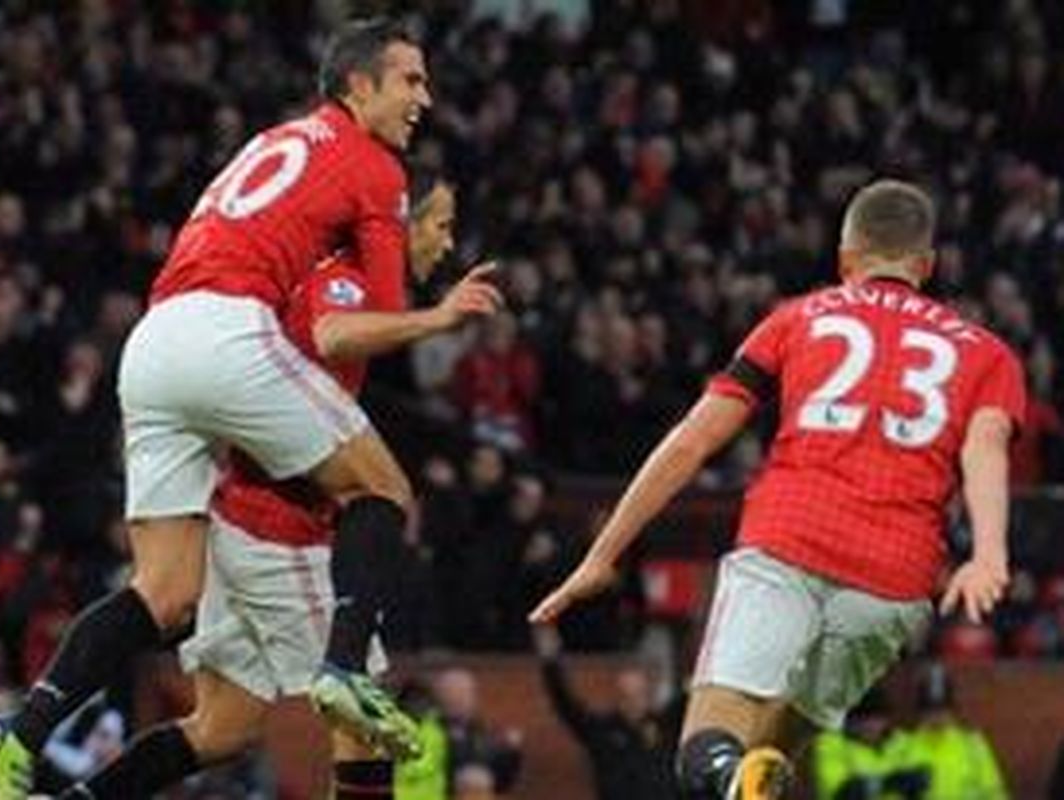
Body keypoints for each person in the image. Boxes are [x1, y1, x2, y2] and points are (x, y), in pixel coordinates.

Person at [0, 16, 456, 798]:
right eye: (410, 81)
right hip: (230, 335)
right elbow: (369, 314)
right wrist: (439, 317)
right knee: (385, 490)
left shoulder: (277, 141)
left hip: (155, 338)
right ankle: (339, 670)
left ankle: (18, 733)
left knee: (165, 597)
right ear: (358, 85)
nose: (423, 98)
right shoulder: (373, 171)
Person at [531, 179, 1026, 800]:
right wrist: (989, 554)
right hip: (894, 581)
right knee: (765, 762)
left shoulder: (796, 318)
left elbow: (692, 440)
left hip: (791, 538)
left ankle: (730, 773)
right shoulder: (989, 354)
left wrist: (601, 555)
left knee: (705, 758)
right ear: (926, 266)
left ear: (845, 260)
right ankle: (747, 779)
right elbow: (985, 448)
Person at [54, 175, 500, 799]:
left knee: (220, 730)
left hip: (235, 518)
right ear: (396, 223)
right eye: (440, 224)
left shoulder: (335, 277)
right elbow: (332, 333)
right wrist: (436, 319)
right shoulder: (344, 275)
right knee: (362, 720)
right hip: (278, 530)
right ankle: (340, 671)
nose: (448, 244)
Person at [532, 624, 682, 799]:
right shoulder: (603, 730)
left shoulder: (665, 724)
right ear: (619, 697)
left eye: (640, 694)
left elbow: (694, 693)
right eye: (628, 696)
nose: (636, 702)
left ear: (649, 694)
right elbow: (566, 705)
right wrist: (550, 659)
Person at [905, 663, 1007, 800]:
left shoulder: (973, 746)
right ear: (920, 713)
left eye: (942, 709)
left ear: (953, 711)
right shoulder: (903, 749)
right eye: (930, 710)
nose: (937, 717)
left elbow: (994, 793)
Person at [811, 688, 928, 800]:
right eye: (862, 719)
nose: (870, 726)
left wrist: (876, 785)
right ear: (851, 721)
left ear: (886, 720)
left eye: (876, 719)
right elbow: (843, 792)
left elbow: (921, 779)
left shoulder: (903, 742)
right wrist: (891, 782)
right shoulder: (832, 744)